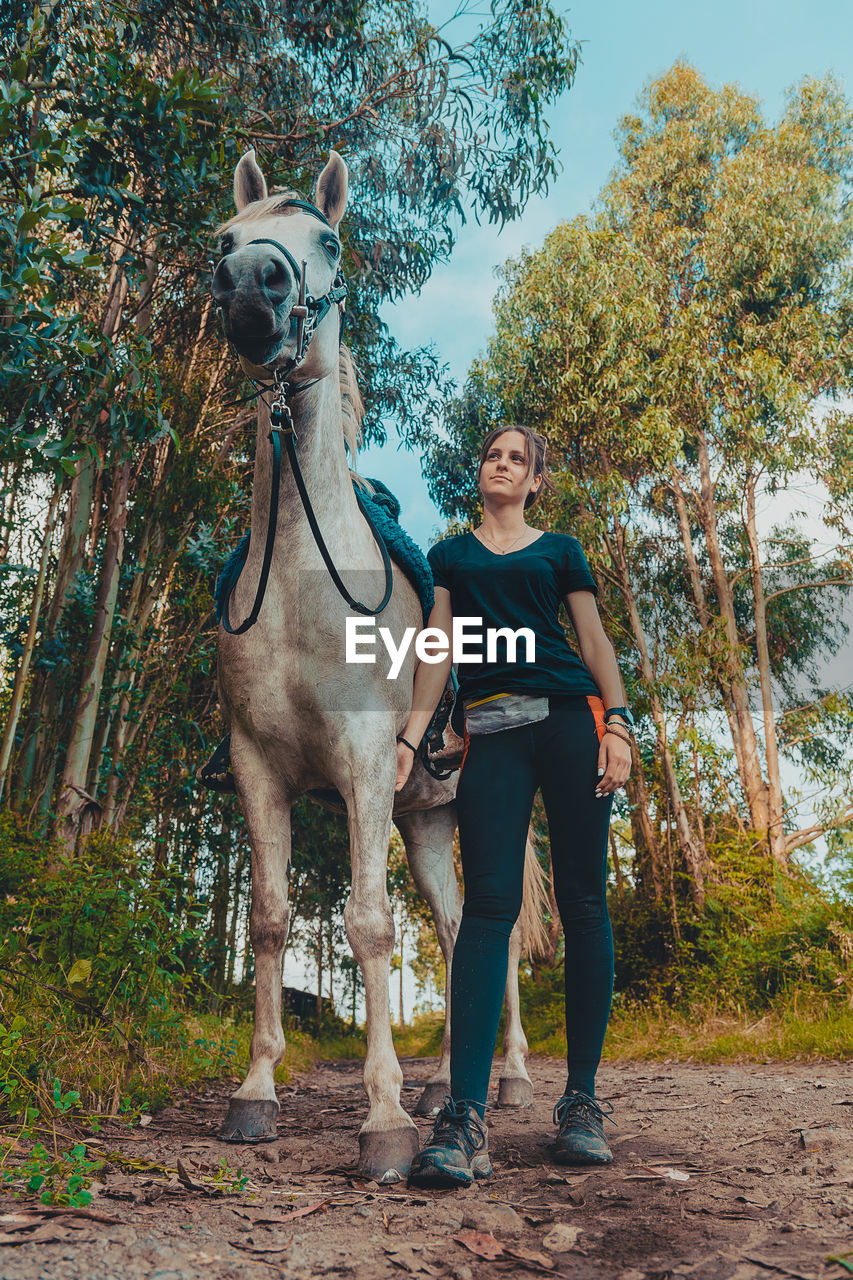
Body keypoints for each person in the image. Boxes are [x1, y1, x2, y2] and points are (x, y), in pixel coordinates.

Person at [394, 424, 633, 1189]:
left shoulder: (559, 548)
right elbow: (436, 647)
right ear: (483, 474)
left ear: (534, 482)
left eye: (516, 459)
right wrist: (409, 736)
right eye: (492, 455)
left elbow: (592, 640)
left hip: (569, 720)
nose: (501, 464)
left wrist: (619, 723)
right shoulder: (450, 556)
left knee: (582, 901)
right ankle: (462, 1117)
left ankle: (582, 1105)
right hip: (491, 732)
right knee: (487, 908)